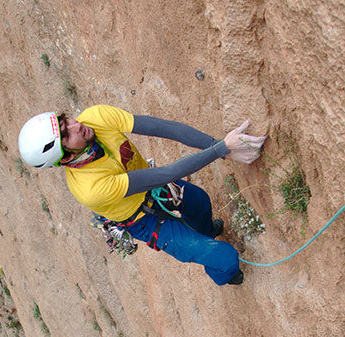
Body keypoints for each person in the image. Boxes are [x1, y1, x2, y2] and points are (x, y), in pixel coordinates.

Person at [18, 105, 265, 286]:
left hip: (152, 187)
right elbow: (166, 174)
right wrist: (221, 149)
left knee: (200, 203)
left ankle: (207, 233)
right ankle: (224, 274)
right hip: (142, 219)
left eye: (66, 120)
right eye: (66, 134)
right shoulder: (89, 188)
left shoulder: (94, 118)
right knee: (225, 256)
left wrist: (217, 145)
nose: (76, 125)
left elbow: (163, 128)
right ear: (67, 157)